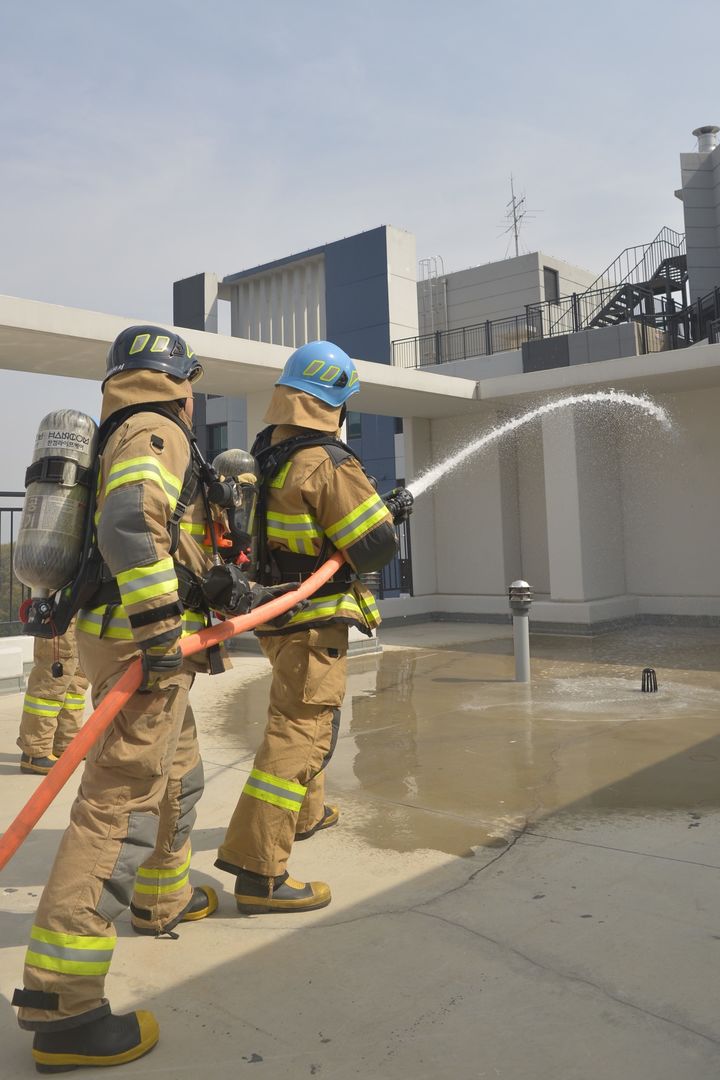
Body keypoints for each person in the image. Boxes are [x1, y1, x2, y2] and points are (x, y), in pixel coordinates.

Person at [13, 324, 283, 1072]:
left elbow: (170, 541)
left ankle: (159, 901)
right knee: (117, 811)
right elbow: (133, 523)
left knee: (179, 773)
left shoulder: (128, 426)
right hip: (143, 649)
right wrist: (165, 634)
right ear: (178, 382)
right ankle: (62, 1006)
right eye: (192, 383)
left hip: (131, 641)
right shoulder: (156, 430)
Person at [214, 340, 409, 914]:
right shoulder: (326, 461)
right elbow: (374, 548)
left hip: (276, 614)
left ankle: (308, 811)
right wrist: (390, 511)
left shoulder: (267, 453)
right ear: (335, 403)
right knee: (299, 730)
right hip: (315, 617)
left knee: (307, 719)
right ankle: (259, 871)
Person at [18, 617, 89, 773]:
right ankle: (35, 752)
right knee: (49, 685)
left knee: (75, 685)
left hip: (81, 616)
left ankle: (66, 744)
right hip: (60, 616)